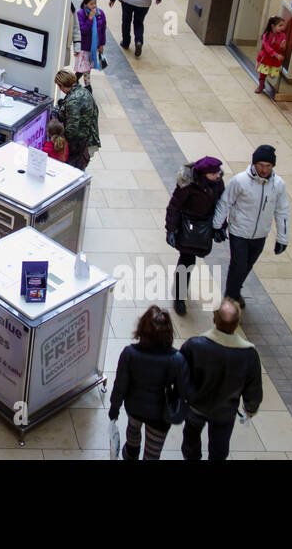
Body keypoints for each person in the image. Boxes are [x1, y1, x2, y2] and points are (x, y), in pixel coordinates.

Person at [179, 299, 263, 461]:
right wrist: (250, 409)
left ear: (214, 319)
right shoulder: (249, 355)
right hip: (225, 413)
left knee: (191, 438)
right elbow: (253, 389)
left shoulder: (195, 345)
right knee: (219, 447)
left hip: (196, 407)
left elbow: (180, 374)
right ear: (238, 323)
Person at [107, 306, 191, 460]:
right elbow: (184, 390)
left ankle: (131, 453)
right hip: (160, 416)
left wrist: (114, 407)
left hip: (135, 408)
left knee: (133, 432)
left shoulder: (130, 354)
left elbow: (120, 384)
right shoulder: (176, 359)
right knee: (152, 454)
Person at [214, 145, 290, 309]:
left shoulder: (278, 185)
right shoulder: (239, 181)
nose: (264, 169)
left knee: (247, 266)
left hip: (260, 235)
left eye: (268, 166)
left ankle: (234, 291)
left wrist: (282, 238)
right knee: (238, 266)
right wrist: (216, 226)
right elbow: (225, 202)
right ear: (254, 163)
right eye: (261, 165)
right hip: (239, 232)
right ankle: (230, 300)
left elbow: (282, 211)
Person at [165, 156, 226, 316]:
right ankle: (179, 296)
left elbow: (221, 205)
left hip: (205, 226)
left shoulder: (218, 184)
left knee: (192, 259)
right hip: (188, 227)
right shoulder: (187, 183)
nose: (218, 175)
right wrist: (171, 229)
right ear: (204, 174)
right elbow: (174, 206)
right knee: (187, 261)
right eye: (214, 173)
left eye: (218, 172)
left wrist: (221, 226)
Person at [53, 69, 100, 169]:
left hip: (82, 146)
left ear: (62, 85)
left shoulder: (73, 101)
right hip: (91, 140)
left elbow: (71, 131)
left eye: (59, 86)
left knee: (76, 171)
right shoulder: (84, 91)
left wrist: (59, 141)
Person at [75, 0, 107, 80]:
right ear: (85, 4)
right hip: (84, 47)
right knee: (85, 67)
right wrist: (90, 18)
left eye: (95, 3)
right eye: (91, 4)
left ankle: (74, 82)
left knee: (86, 67)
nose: (94, 6)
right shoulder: (80, 14)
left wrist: (101, 45)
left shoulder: (100, 14)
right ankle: (85, 85)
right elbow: (83, 30)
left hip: (94, 47)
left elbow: (103, 30)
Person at [255, 17, 288, 97]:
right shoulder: (266, 35)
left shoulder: (283, 35)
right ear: (273, 26)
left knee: (272, 75)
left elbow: (282, 48)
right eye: (280, 25)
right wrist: (276, 55)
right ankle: (261, 85)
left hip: (275, 59)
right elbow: (267, 47)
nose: (282, 28)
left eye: (283, 25)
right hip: (266, 57)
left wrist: (283, 47)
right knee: (263, 73)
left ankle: (269, 84)